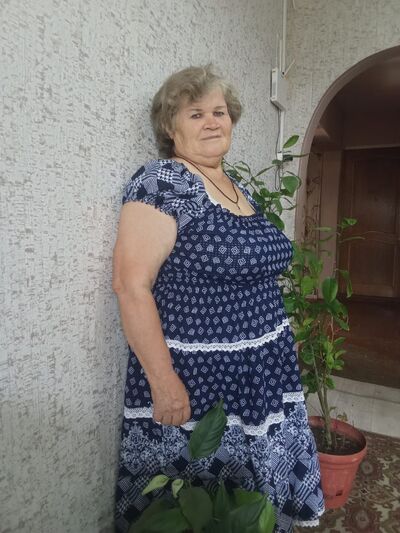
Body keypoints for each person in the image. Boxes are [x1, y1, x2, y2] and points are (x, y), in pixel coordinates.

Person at [113, 65, 324, 532]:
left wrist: (279, 338)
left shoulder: (237, 189)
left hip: (263, 374)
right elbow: (131, 286)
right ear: (170, 127)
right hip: (201, 380)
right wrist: (163, 381)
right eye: (196, 114)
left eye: (219, 112)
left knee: (252, 505)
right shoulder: (163, 183)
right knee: (198, 506)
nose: (212, 122)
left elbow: (255, 276)